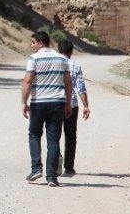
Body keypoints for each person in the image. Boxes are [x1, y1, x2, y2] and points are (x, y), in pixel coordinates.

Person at [21, 31, 72, 187]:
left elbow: (28, 81)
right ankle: (51, 177)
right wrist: (68, 103)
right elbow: (68, 83)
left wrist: (24, 101)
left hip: (39, 102)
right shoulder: (62, 59)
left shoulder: (34, 59)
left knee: (34, 134)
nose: (31, 46)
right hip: (57, 102)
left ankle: (36, 168)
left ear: (40, 43)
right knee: (53, 139)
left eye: (33, 42)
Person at [57, 39, 90, 177]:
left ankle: (55, 162)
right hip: (72, 104)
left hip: (56, 103)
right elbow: (80, 87)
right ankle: (69, 168)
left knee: (54, 135)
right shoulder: (75, 66)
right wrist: (86, 105)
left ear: (59, 50)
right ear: (71, 52)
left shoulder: (55, 64)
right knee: (70, 136)